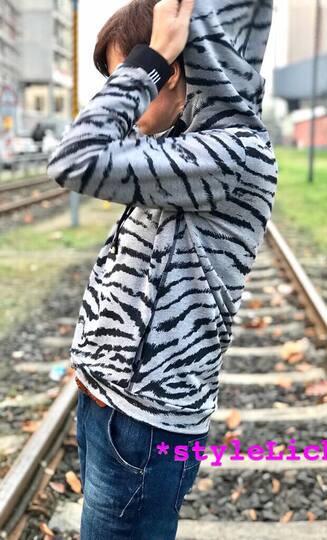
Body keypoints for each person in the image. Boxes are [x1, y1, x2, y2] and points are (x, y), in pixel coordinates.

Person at [46, 0, 278, 538]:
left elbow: (74, 158)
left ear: (169, 70)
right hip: (113, 408)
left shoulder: (232, 154)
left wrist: (150, 58)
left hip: (143, 426)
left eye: (123, 74)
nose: (120, 90)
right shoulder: (187, 146)